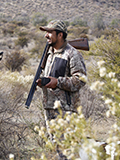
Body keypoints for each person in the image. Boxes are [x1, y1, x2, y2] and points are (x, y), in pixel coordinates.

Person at [37, 20, 87, 159]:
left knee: (68, 151)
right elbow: (50, 79)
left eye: (49, 32)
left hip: (66, 111)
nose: (46, 36)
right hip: (50, 109)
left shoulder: (72, 54)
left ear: (60, 35)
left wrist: (57, 82)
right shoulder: (49, 53)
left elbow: (80, 80)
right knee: (56, 150)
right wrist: (42, 82)